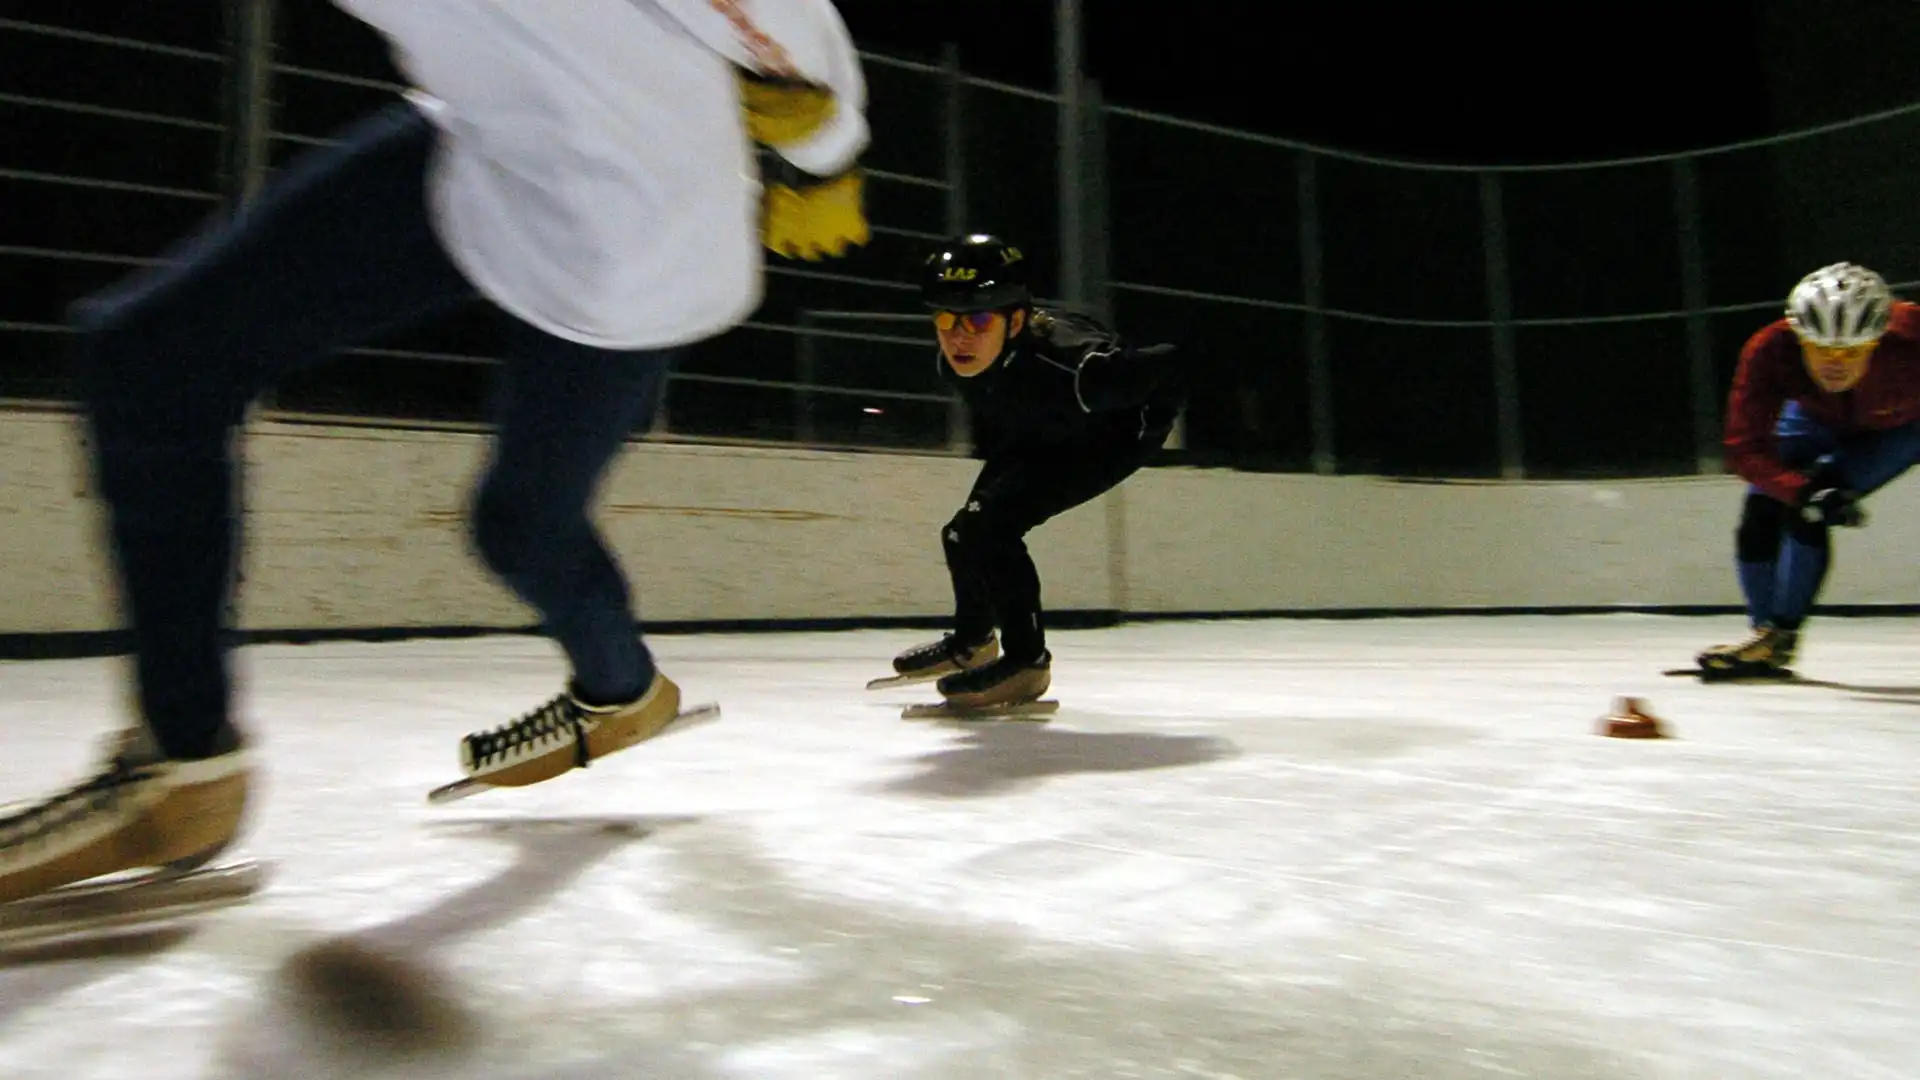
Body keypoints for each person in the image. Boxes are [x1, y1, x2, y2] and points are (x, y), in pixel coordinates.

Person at [0, 0, 872, 904]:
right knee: (150, 358)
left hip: (635, 238)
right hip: (484, 158)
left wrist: (827, 146)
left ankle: (621, 689)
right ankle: (186, 763)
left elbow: (781, 21)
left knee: (518, 526)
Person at [886, 234, 1189, 710]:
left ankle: (1028, 663)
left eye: (979, 319)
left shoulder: (1079, 370)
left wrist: (1154, 420)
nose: (958, 335)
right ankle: (973, 643)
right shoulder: (955, 363)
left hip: (1112, 435)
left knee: (990, 531)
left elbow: (1174, 364)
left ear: (1016, 322)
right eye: (946, 318)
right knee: (962, 535)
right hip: (1043, 426)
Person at [1694, 261, 1920, 680]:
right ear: (1796, 335)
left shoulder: (1913, 335)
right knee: (1765, 510)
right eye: (1818, 348)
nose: (1835, 363)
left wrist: (1814, 495)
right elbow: (1744, 449)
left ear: (1878, 340)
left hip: (1901, 428)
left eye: (1851, 351)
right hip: (1814, 417)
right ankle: (1767, 637)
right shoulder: (1769, 348)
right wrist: (1801, 490)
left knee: (1814, 503)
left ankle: (1778, 633)